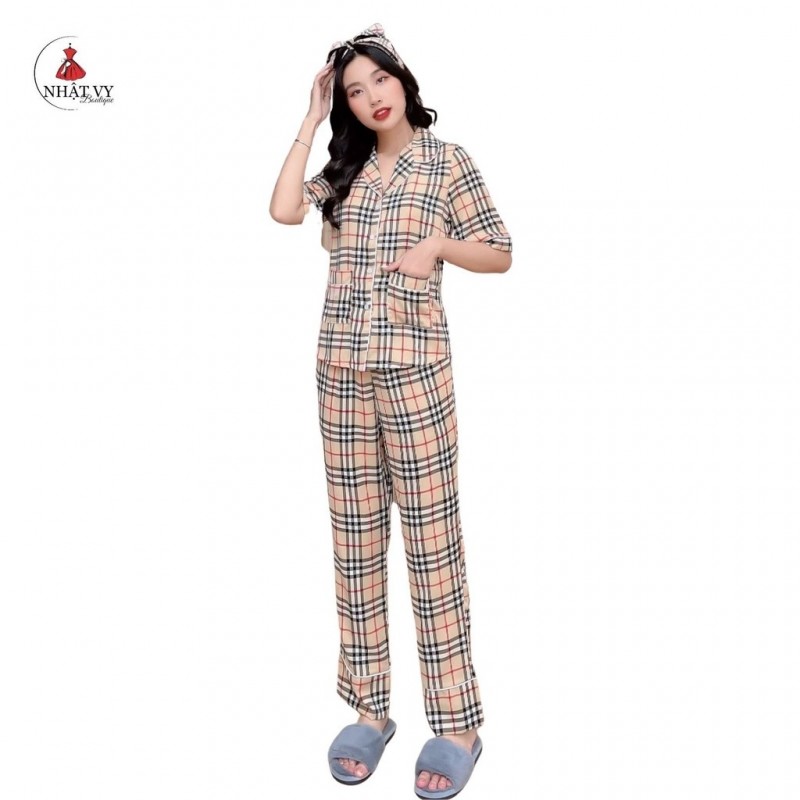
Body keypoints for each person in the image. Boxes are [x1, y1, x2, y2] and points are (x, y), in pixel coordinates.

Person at [269, 23, 512, 799]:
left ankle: (457, 724)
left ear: (403, 80)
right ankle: (371, 710)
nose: (371, 97)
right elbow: (282, 210)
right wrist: (311, 118)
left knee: (432, 547)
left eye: (379, 80)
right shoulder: (346, 172)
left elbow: (500, 250)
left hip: (415, 377)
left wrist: (439, 246)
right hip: (339, 375)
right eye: (353, 90)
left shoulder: (448, 162)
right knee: (356, 545)